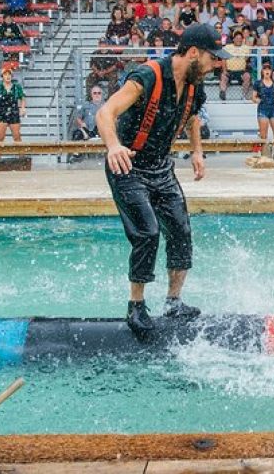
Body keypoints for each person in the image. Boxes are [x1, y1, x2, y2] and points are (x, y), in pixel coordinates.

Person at [95, 24, 229, 337]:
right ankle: (136, 305)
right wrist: (113, 146)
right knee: (148, 232)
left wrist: (197, 151)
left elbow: (193, 118)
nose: (216, 65)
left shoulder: (195, 86)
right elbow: (105, 112)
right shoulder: (148, 76)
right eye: (213, 58)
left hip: (160, 166)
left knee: (180, 229)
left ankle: (173, 301)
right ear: (193, 52)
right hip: (127, 163)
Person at [252, 63, 274, 161]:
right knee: (263, 135)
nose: (267, 70)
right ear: (262, 71)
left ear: (271, 71)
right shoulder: (258, 83)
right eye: (265, 69)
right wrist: (257, 100)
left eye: (268, 69)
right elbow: (253, 97)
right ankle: (264, 155)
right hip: (263, 110)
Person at [219, 30, 251, 101]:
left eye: (240, 38)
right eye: (237, 38)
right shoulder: (227, 47)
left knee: (247, 76)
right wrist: (224, 70)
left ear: (242, 39)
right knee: (223, 76)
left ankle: (244, 96)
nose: (238, 40)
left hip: (241, 71)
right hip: (229, 70)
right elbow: (223, 59)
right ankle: (223, 93)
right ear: (233, 39)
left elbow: (246, 58)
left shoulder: (245, 48)